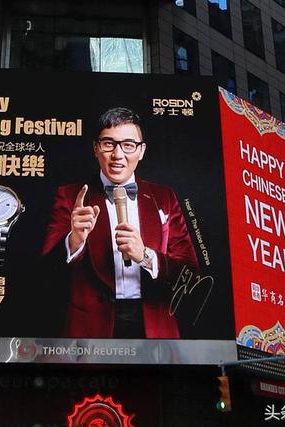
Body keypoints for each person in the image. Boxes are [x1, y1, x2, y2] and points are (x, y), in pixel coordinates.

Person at [42, 107, 198, 339]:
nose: (118, 154)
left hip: (154, 328)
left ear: (141, 151)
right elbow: (45, 270)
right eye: (108, 144)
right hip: (90, 329)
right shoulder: (70, 195)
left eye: (128, 145)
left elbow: (190, 271)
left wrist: (145, 256)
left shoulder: (164, 197)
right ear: (95, 148)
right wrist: (74, 241)